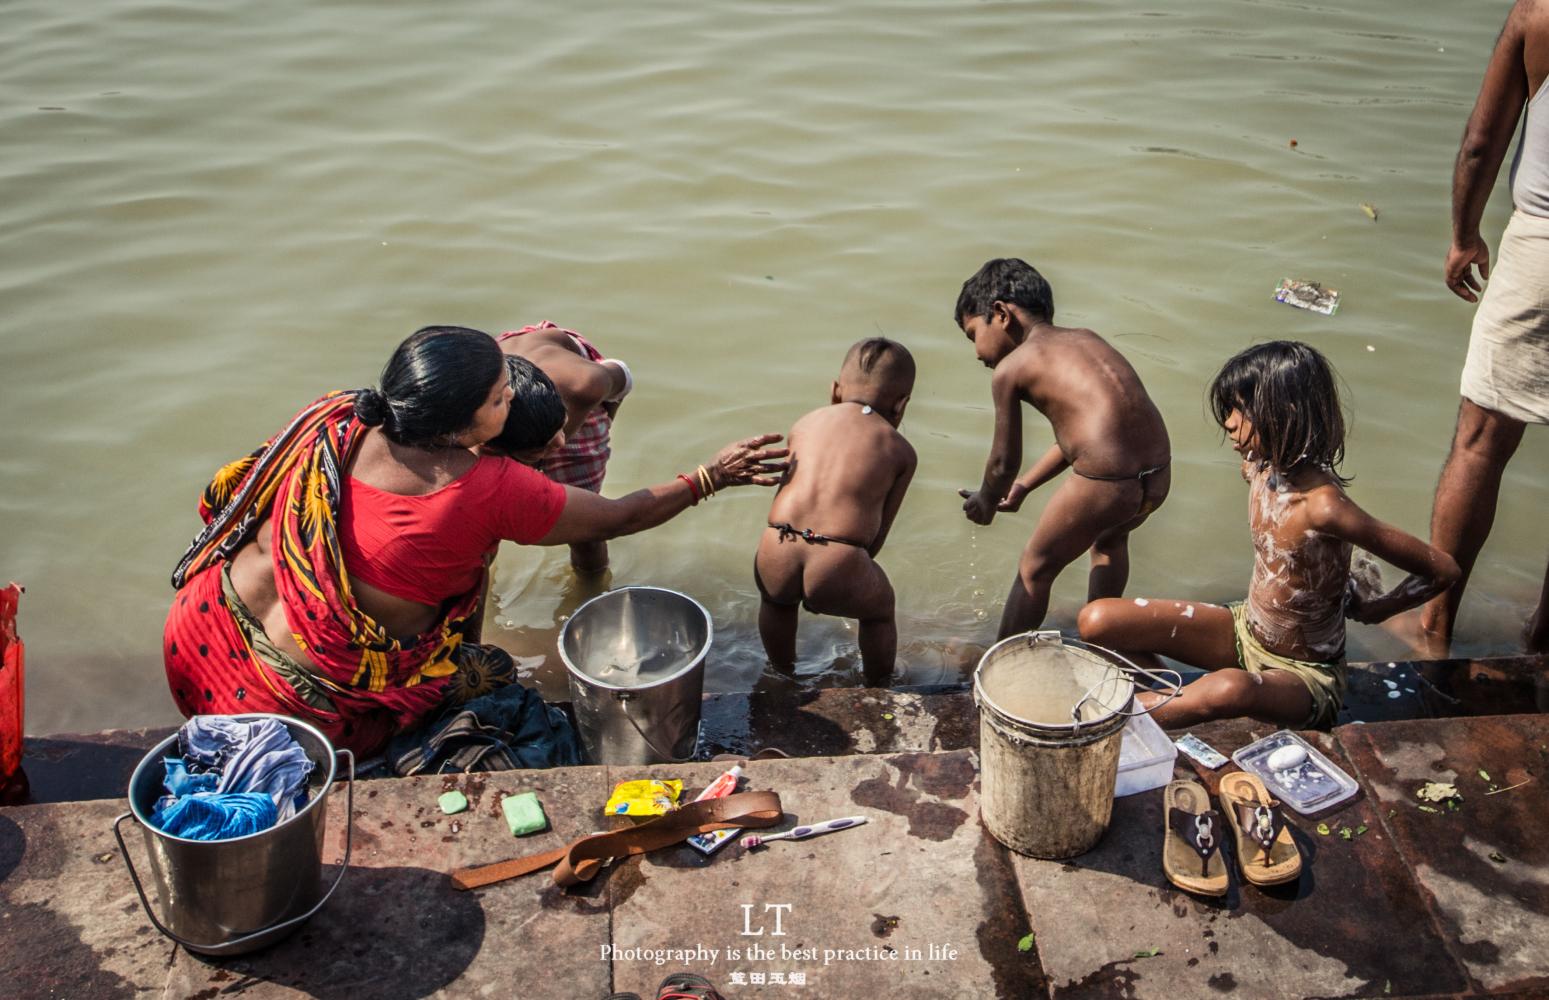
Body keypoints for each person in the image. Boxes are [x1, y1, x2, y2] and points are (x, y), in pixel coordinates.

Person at [163, 326, 786, 756]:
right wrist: (711, 476)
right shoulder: (483, 486)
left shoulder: (333, 415)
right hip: (293, 709)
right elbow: (618, 517)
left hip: (196, 633)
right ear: (461, 424)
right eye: (499, 397)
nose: (511, 396)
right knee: (494, 681)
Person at [1078, 342, 1459, 729]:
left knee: (1230, 689)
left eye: (1238, 411)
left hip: (1305, 675)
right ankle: (1170, 703)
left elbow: (1443, 570)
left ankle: (1099, 722)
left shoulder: (1323, 507)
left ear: (1283, 413)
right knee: (1097, 620)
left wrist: (1377, 610)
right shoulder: (1260, 467)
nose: (1227, 422)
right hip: (1246, 632)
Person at [954, 258, 1172, 640]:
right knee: (1110, 541)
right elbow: (1079, 440)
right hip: (1156, 477)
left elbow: (1003, 461)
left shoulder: (1013, 368)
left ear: (1001, 314)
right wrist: (1024, 487)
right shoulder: (1088, 338)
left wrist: (988, 499)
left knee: (1035, 568)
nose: (977, 353)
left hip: (1107, 482)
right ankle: (1102, 641)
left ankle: (1001, 664)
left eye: (973, 334)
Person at [1427, 0, 1549, 653]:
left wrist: (1462, 235)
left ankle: (1434, 625)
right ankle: (1543, 633)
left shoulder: (1536, 13)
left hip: (1542, 248)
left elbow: (1480, 141)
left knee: (1480, 439)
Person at [753, 338, 917, 686]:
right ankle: (878, 686)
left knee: (776, 603)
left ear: (834, 390)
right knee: (880, 610)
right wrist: (842, 574)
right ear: (901, 405)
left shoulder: (805, 424)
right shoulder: (899, 449)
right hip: (838, 554)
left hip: (776, 542)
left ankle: (781, 674)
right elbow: (876, 536)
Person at [498, 321, 632, 575]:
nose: (558, 444)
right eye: (533, 453)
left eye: (556, 438)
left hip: (567, 381)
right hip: (504, 370)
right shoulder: (475, 411)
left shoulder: (585, 386)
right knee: (482, 514)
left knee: (587, 528)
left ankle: (591, 586)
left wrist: (605, 422)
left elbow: (623, 378)